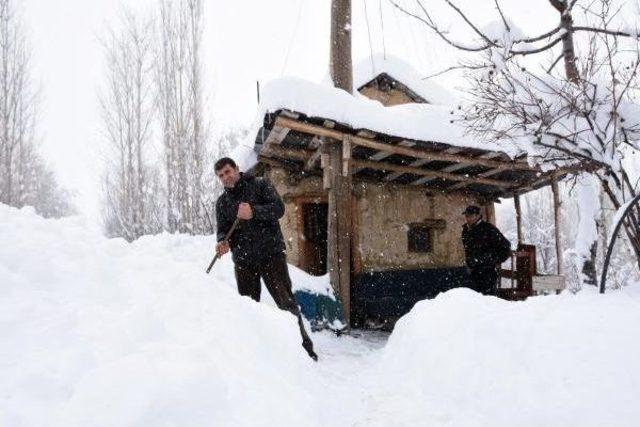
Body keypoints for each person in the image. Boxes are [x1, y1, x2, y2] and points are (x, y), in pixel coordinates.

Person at [213, 157, 318, 361]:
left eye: (227, 172)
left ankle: (306, 351)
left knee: (286, 305)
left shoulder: (260, 184)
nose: (225, 177)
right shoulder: (222, 203)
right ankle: (257, 357)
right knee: (249, 309)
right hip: (243, 261)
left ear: (237, 168)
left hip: (271, 255)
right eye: (221, 176)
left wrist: (254, 211)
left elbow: (279, 209)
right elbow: (222, 231)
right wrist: (222, 243)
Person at [461, 205, 511, 296]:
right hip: (473, 272)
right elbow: (468, 250)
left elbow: (506, 247)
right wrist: (470, 262)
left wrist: (493, 260)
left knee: (488, 300)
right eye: (466, 216)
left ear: (477, 216)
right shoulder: (466, 231)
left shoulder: (489, 229)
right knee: (474, 299)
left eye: (470, 215)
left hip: (488, 273)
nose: (467, 218)